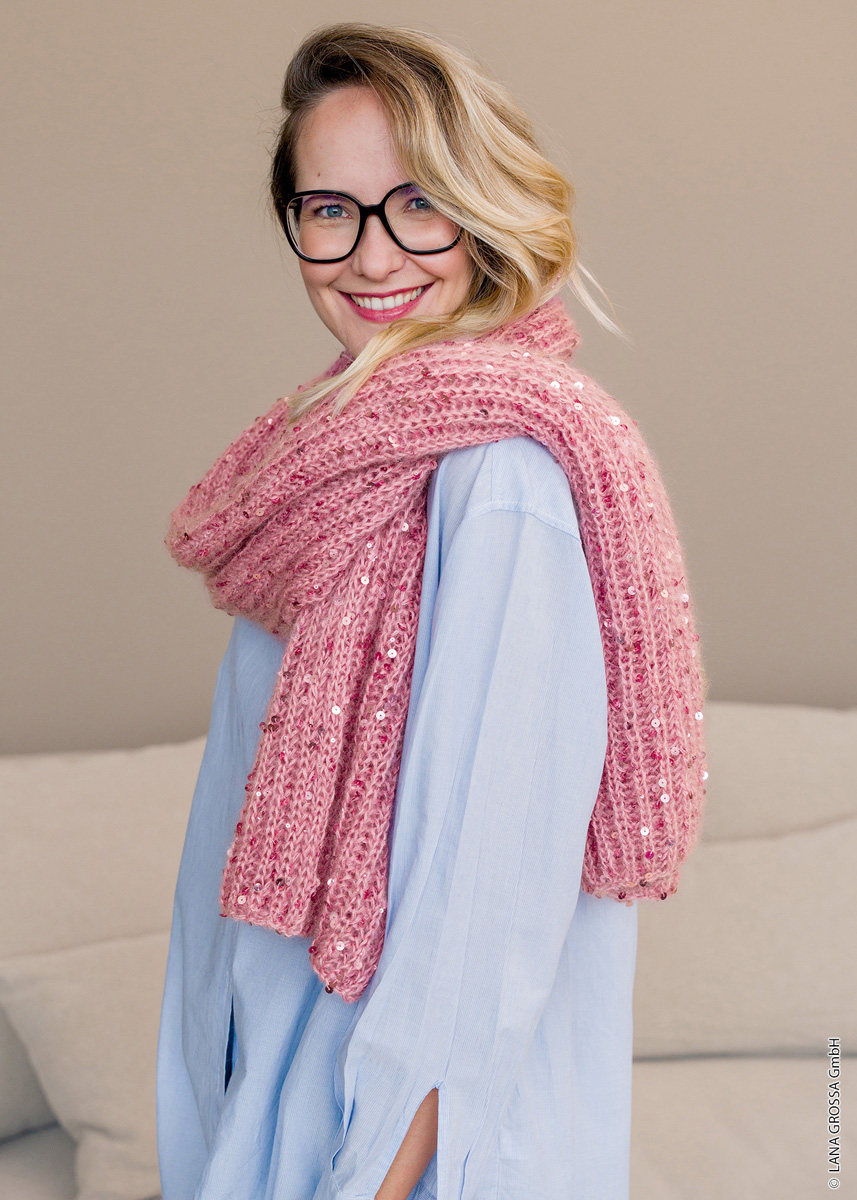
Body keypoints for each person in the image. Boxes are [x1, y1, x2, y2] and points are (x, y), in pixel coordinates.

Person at [157, 21, 707, 1200]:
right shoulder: (316, 482)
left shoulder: (502, 482)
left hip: (411, 1161)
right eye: (329, 209)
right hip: (281, 1112)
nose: (371, 255)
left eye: (417, 204)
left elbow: (485, 910)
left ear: (482, 212)